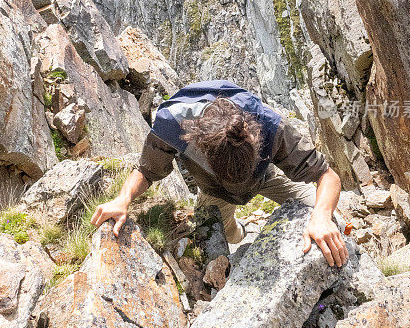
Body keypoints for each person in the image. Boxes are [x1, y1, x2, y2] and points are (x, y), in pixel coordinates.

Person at [91, 80, 348, 267]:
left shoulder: (271, 126)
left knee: (330, 216)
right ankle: (244, 232)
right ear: (198, 145)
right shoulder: (173, 125)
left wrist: (323, 216)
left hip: (265, 178)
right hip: (214, 192)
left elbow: (326, 175)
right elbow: (147, 171)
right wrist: (122, 200)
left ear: (255, 138)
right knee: (224, 237)